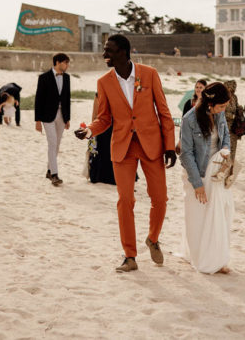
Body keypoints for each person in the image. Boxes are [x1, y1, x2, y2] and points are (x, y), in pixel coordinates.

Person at [75, 34, 176, 273]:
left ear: (123, 52)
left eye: (108, 50)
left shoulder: (149, 74)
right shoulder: (103, 82)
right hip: (122, 147)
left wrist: (170, 145)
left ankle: (152, 238)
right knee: (125, 201)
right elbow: (104, 118)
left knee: (159, 199)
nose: (104, 54)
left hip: (151, 144)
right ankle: (130, 256)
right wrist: (90, 131)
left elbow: (164, 111)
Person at [178, 82, 232, 274]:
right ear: (210, 104)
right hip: (196, 173)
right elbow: (186, 154)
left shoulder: (220, 114)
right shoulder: (189, 120)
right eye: (222, 106)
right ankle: (199, 256)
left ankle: (217, 259)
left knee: (218, 216)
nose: (224, 110)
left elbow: (226, 137)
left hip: (217, 172)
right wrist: (197, 184)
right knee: (198, 217)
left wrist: (226, 153)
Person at [34, 53, 71, 187]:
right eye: (65, 63)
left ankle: (49, 170)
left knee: (57, 144)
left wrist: (67, 119)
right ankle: (55, 175)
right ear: (57, 62)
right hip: (47, 116)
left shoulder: (67, 78)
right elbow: (38, 99)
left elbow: (67, 99)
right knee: (52, 143)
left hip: (62, 116)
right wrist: (37, 120)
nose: (67, 65)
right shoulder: (44, 78)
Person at [175, 79, 207, 155]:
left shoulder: (207, 104)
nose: (198, 89)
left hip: (202, 136)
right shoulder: (188, 103)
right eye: (197, 87)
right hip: (189, 136)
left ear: (205, 89)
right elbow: (183, 122)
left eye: (200, 87)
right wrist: (180, 140)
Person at [224, 80, 244, 163]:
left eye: (232, 88)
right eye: (229, 88)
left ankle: (231, 166)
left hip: (234, 128)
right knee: (225, 149)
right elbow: (221, 112)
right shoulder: (223, 98)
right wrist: (231, 116)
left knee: (233, 149)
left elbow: (236, 107)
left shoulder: (235, 97)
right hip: (225, 127)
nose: (231, 90)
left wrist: (240, 108)